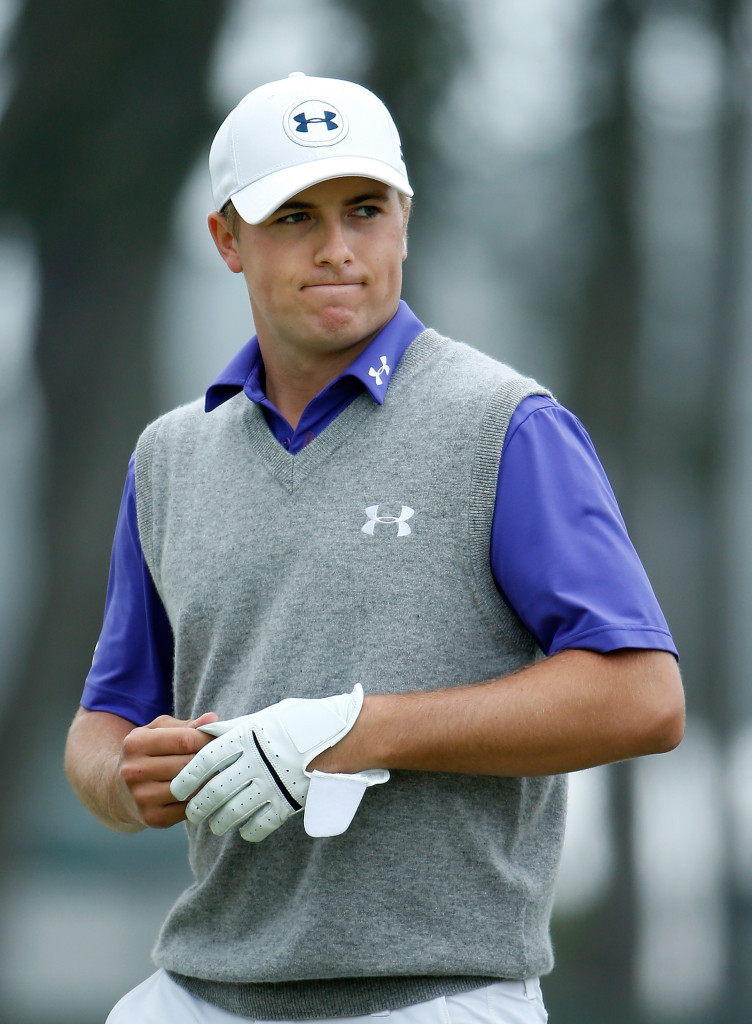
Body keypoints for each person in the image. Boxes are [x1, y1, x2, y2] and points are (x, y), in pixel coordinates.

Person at [64, 72, 684, 1024]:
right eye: (294, 218)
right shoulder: (169, 456)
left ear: (404, 221)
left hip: (438, 997)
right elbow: (105, 724)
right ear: (228, 238)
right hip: (199, 991)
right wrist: (128, 777)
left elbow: (641, 696)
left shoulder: (503, 426)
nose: (337, 250)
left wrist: (351, 732)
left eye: (363, 210)